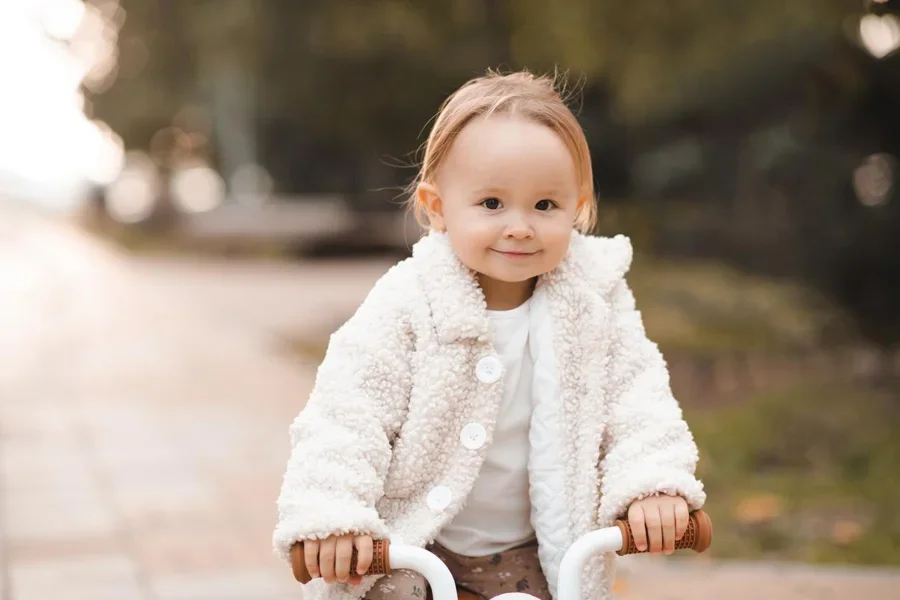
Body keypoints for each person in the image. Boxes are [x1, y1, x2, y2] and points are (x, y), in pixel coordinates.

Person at [273, 69, 706, 600]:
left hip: (541, 552)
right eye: (492, 204)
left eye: (545, 205)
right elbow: (345, 416)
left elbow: (638, 401)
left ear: (579, 205)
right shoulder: (408, 303)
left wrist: (653, 486)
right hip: (415, 548)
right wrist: (333, 515)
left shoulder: (595, 298)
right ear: (437, 208)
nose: (520, 226)